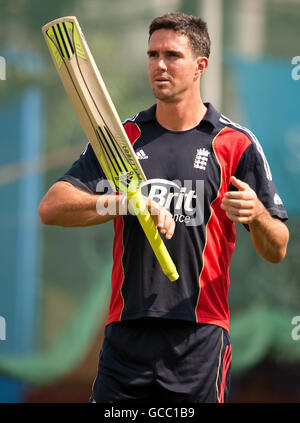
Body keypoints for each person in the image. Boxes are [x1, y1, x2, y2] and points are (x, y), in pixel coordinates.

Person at [38, 12, 289, 403]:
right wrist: (124, 203)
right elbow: (51, 207)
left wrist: (257, 216)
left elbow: (277, 248)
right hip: (126, 337)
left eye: (172, 55)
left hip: (199, 338)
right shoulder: (122, 138)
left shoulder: (235, 144)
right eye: (153, 55)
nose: (159, 65)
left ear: (200, 66)